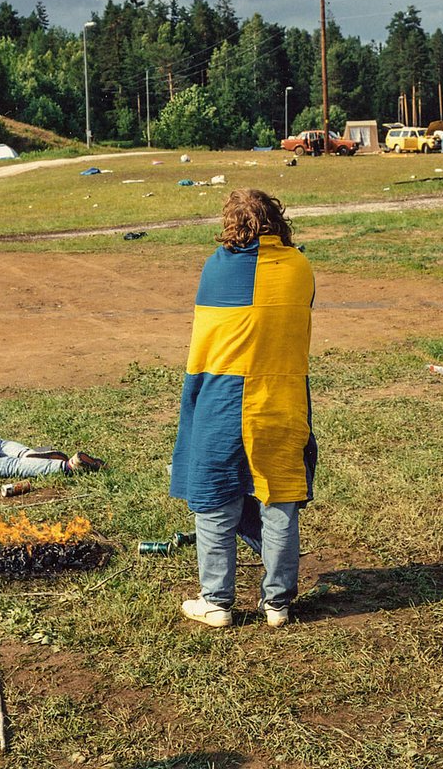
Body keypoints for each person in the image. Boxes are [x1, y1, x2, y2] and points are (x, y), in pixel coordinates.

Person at [169, 188, 316, 629]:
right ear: (277, 218)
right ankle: (278, 604)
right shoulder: (301, 268)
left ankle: (215, 602)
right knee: (280, 499)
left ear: (231, 225)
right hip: (282, 397)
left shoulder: (215, 268)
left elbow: (207, 338)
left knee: (216, 500)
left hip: (223, 397)